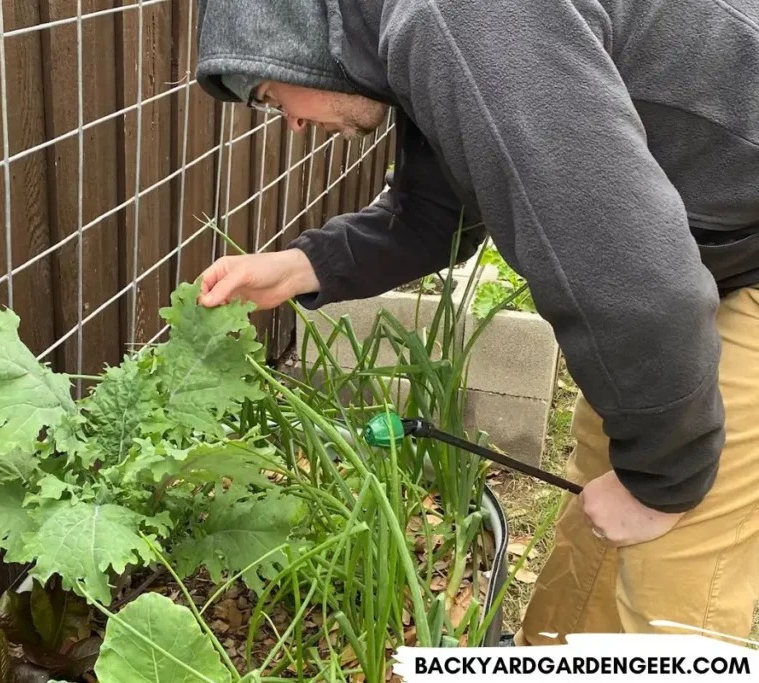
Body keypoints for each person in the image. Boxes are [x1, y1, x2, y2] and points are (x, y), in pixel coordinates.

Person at [191, 0, 759, 645]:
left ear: (301, 40)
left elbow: (633, 278)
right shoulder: (430, 34)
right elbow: (441, 212)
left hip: (733, 258)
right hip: (711, 246)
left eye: (269, 94)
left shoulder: (460, 15)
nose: (291, 125)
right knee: (614, 487)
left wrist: (665, 485)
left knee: (674, 565)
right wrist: (299, 268)